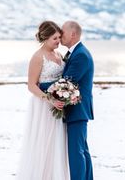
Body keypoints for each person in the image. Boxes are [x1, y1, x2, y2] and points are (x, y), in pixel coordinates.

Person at [17, 20, 70, 180]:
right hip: (43, 105)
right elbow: (31, 85)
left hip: (59, 104)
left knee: (57, 143)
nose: (58, 41)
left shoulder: (59, 54)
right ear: (45, 38)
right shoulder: (38, 57)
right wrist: (50, 99)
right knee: (43, 142)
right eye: (55, 38)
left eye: (59, 38)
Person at [61, 21, 94, 180]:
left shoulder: (80, 54)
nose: (60, 35)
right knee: (82, 151)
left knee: (76, 153)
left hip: (77, 109)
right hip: (78, 109)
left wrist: (40, 84)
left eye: (63, 32)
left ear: (73, 34)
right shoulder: (75, 52)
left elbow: (67, 82)